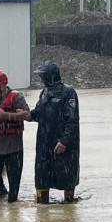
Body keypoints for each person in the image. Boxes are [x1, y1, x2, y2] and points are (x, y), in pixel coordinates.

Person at [28, 60, 80, 204]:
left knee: (66, 176)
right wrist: (27, 115)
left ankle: (69, 204)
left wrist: (64, 140)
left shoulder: (68, 92)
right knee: (42, 175)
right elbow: (38, 113)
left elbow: (73, 121)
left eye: (43, 77)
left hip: (62, 144)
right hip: (44, 142)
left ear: (50, 76)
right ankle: (42, 204)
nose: (41, 80)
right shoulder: (44, 93)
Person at [0, 69, 29, 203]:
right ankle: (2, 196)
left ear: (3, 87)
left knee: (14, 184)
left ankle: (13, 205)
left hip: (14, 146)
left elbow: (27, 114)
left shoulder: (16, 97)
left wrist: (6, 116)